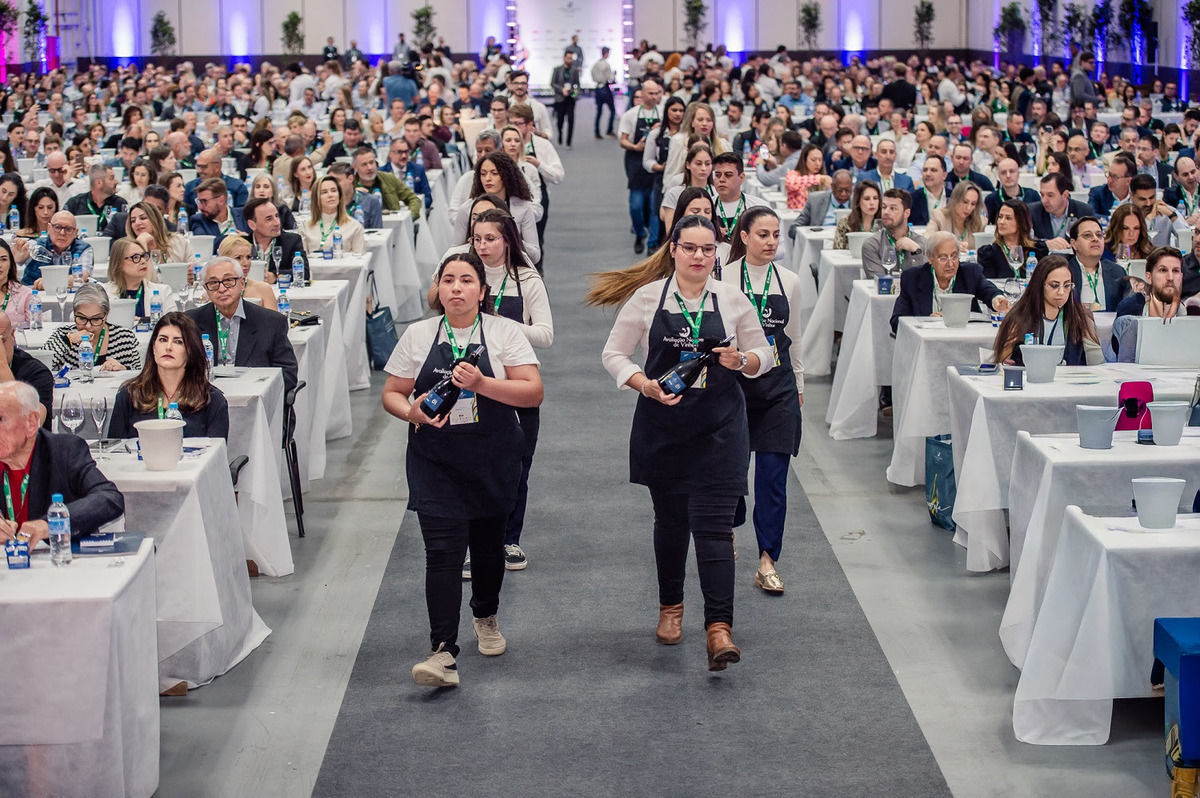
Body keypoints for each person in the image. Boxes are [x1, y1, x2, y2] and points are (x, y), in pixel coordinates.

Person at [591, 215, 773, 671]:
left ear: (717, 254)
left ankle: (719, 629)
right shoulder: (648, 298)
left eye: (708, 249)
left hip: (721, 428)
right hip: (664, 427)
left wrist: (743, 359)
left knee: (713, 527)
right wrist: (643, 384)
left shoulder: (732, 300)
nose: (698, 257)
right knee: (671, 524)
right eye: (690, 248)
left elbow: (765, 354)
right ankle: (670, 607)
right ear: (673, 249)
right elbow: (613, 353)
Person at [382, 251, 543, 688]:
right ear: (438, 289)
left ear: (482, 290)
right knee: (443, 554)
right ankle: (442, 652)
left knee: (489, 549)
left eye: (466, 280)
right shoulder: (417, 335)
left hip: (493, 457)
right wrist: (410, 413)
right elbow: (393, 392)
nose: (456, 288)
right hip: (435, 459)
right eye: (448, 280)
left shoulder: (504, 332)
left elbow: (532, 393)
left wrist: (482, 384)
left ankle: (486, 615)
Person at [463, 209, 553, 572]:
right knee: (472, 467)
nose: (483, 246)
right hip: (470, 383)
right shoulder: (464, 276)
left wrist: (502, 325)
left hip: (517, 384)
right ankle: (473, 544)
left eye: (491, 239)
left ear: (507, 240)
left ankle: (509, 539)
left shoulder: (527, 280)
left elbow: (546, 334)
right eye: (478, 238)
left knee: (517, 466)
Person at [721, 208, 803, 594]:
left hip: (779, 387)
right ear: (745, 237)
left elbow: (795, 336)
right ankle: (730, 527)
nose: (771, 242)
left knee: (773, 477)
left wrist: (799, 384)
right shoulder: (724, 278)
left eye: (776, 235)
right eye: (763, 235)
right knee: (733, 470)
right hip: (733, 386)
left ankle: (768, 559)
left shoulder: (791, 281)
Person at [0, 381, 123, 547]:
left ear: (31, 422)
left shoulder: (64, 451)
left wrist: (49, 524)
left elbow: (109, 498)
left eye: (1, 419)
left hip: (60, 563)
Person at [186, 256, 298, 394]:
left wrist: (261, 391)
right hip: (205, 399)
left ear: (242, 283)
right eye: (213, 283)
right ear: (205, 289)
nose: (221, 289)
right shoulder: (191, 322)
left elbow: (288, 373)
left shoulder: (271, 322)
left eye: (228, 281)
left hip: (253, 397)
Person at [109, 312, 230, 439]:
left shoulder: (211, 400)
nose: (168, 347)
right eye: (162, 340)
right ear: (154, 348)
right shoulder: (130, 394)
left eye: (178, 342)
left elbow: (216, 454)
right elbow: (114, 451)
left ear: (191, 350)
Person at [992, 254, 1104, 365]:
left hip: (1069, 380)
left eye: (1067, 286)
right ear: (1039, 285)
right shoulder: (1019, 318)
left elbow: (1097, 363)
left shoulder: (1080, 316)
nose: (1061, 292)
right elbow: (1001, 363)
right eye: (1054, 285)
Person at [890, 231, 1011, 333]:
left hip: (965, 342)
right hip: (928, 344)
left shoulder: (970, 273)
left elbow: (988, 290)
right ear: (930, 258)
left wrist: (997, 299)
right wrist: (926, 322)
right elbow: (896, 321)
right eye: (943, 258)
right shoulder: (912, 278)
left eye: (954, 256)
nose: (950, 263)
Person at [451, 152, 541, 265]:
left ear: (506, 175)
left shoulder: (523, 207)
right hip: (476, 269)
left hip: (512, 269)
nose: (488, 179)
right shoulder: (467, 209)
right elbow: (454, 252)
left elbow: (535, 255)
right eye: (483, 174)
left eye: (494, 173)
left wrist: (513, 240)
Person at [46, 283, 142, 372]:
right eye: (82, 318)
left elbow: (142, 372)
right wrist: (68, 340)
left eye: (95, 319)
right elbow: (39, 367)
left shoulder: (125, 338)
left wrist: (124, 369)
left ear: (106, 315)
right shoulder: (63, 335)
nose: (88, 326)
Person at [1111, 246, 1187, 360]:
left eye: (1175, 271)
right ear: (1149, 277)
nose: (1170, 277)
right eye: (1163, 270)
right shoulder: (1131, 308)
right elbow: (1124, 363)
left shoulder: (1183, 310)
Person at [620, 78, 663, 254]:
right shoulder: (630, 115)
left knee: (654, 206)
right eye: (651, 93)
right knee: (636, 206)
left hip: (656, 162)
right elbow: (623, 140)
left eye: (657, 93)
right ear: (642, 94)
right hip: (636, 162)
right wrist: (635, 146)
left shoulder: (662, 113)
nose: (654, 97)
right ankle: (639, 232)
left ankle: (652, 243)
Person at [105, 237, 178, 321]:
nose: (143, 261)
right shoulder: (104, 294)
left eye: (143, 256)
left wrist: (140, 320)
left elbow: (173, 324)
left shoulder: (163, 291)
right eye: (135, 257)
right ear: (119, 263)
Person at [861, 188, 927, 278]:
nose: (886, 212)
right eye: (884, 207)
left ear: (906, 213)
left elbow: (924, 281)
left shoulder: (922, 243)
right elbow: (880, 284)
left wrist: (916, 252)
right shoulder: (872, 245)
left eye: (893, 208)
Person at [0, 315, 51, 427]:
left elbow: (26, 427)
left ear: (12, 335)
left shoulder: (36, 373)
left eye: (2, 340)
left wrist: (2, 365)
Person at [18, 211, 93, 287]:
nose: (62, 233)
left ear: (75, 233)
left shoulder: (84, 248)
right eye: (57, 227)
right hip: (33, 294)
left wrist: (49, 282)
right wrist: (17, 255)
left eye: (68, 229)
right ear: (49, 228)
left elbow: (82, 276)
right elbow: (17, 260)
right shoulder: (36, 245)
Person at [242, 197, 308, 283]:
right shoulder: (242, 245)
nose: (277, 223)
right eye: (269, 219)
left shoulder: (292, 241)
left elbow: (304, 273)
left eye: (277, 216)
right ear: (252, 225)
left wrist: (275, 276)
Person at [977, 200, 1045, 279]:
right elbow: (988, 284)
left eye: (1008, 218)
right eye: (1000, 217)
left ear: (1021, 222)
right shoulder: (988, 253)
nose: (1001, 222)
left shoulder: (1038, 249)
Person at [300, 175, 365, 254]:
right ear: (316, 198)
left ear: (340, 195)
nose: (330, 195)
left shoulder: (355, 226)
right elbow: (303, 262)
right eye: (324, 192)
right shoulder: (305, 228)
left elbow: (359, 261)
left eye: (334, 190)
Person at [1029, 172, 1093, 250]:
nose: (1044, 200)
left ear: (1065, 195)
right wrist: (1045, 243)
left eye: (1050, 195)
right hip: (1044, 259)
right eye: (1042, 195)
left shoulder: (1084, 211)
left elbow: (1090, 241)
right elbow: (1026, 241)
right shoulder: (1033, 211)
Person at [216, 233, 278, 311]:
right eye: (238, 258)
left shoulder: (264, 289)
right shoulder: (214, 292)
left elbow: (274, 322)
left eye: (248, 257)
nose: (246, 263)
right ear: (224, 260)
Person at [926, 181, 985, 251]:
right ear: (955, 199)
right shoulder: (939, 216)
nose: (968, 208)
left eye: (973, 204)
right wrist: (949, 245)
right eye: (965, 202)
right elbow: (927, 239)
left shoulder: (980, 222)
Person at [126, 200, 191, 264]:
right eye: (133, 221)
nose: (137, 223)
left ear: (155, 220)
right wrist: (141, 245)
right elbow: (139, 272)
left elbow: (195, 268)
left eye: (143, 218)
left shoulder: (178, 241)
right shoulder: (127, 249)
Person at [64, 164, 126, 229]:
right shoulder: (75, 203)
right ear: (98, 183)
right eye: (111, 178)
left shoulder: (120, 203)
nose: (116, 182)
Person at [983, 157, 1040, 223]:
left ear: (1018, 174)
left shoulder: (1032, 195)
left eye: (1012, 171)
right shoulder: (991, 199)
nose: (1008, 175)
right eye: (1003, 172)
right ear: (998, 176)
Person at [832, 180, 880, 249]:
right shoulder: (845, 223)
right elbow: (837, 252)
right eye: (867, 199)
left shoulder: (885, 223)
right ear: (858, 201)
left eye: (875, 198)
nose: (872, 203)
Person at [908, 154, 949, 226]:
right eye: (925, 170)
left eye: (933, 170)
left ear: (944, 175)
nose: (928, 174)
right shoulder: (912, 199)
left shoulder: (954, 197)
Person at [550, 51, 581, 148]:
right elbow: (552, 83)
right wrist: (561, 90)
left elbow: (577, 85)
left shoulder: (575, 70)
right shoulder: (557, 69)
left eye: (571, 58)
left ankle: (569, 142)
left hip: (571, 98)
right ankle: (560, 134)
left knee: (571, 120)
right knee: (560, 120)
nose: (569, 60)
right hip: (560, 98)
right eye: (568, 58)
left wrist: (575, 94)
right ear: (564, 58)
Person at [0, 239, 31, 329]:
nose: (0, 265)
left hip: (17, 341)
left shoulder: (25, 294)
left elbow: (35, 326)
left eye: (4, 259)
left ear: (10, 263)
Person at [592, 47, 617, 139]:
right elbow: (611, 78)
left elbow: (593, 76)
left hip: (598, 88)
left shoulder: (595, 64)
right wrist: (614, 75)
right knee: (613, 110)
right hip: (605, 89)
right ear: (606, 53)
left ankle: (597, 132)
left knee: (599, 112)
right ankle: (609, 130)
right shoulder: (606, 65)